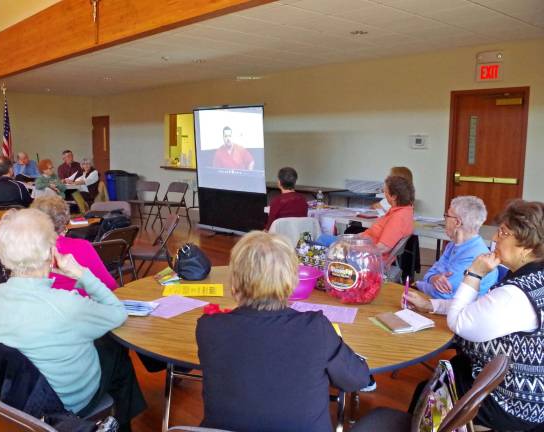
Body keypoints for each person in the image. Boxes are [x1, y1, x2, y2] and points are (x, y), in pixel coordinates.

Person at [0, 208, 146, 429]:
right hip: (63, 405)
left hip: (16, 397)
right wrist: (82, 274)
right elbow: (118, 313)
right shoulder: (67, 305)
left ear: (3, 254)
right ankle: (121, 423)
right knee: (115, 351)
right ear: (52, 251)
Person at [196, 231, 370, 431]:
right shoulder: (316, 329)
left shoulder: (209, 328)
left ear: (234, 283)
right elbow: (356, 379)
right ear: (292, 282)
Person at [405, 200, 544, 431]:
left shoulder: (515, 294)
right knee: (442, 375)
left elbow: (459, 322)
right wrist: (433, 305)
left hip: (512, 401)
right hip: (531, 391)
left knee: (428, 391)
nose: (496, 238)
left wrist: (474, 273)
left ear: (527, 247)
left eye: (504, 232)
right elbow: (482, 308)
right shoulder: (533, 279)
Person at [30, 196, 117, 295]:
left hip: (41, 308)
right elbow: (110, 285)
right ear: (65, 221)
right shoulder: (82, 247)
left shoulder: (22, 249)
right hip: (82, 306)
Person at [416, 196, 498, 299]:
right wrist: (433, 278)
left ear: (457, 222)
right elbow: (431, 273)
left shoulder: (477, 256)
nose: (444, 220)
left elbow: (442, 295)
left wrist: (419, 284)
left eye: (447, 216)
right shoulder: (452, 245)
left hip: (458, 311)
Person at [317, 175, 415, 260]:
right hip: (363, 245)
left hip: (366, 258)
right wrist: (354, 238)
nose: (384, 196)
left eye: (386, 193)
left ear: (394, 196)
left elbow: (381, 249)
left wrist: (350, 246)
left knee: (322, 241)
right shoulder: (404, 210)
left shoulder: (398, 218)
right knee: (327, 239)